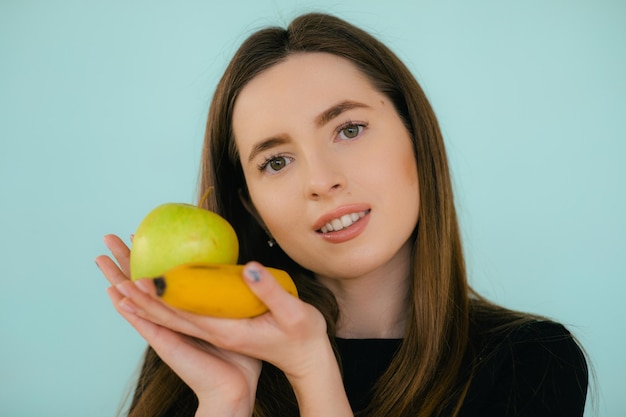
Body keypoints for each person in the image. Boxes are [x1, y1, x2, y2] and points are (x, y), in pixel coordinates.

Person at [95, 12, 589, 417]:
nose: (320, 180)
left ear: (417, 139)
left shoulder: (531, 361)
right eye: (277, 162)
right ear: (252, 207)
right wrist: (224, 400)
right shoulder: (200, 356)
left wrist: (314, 372)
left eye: (349, 130)